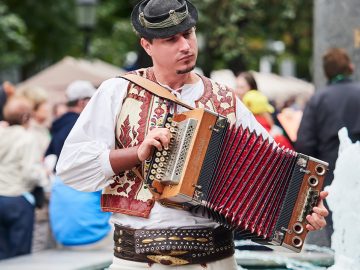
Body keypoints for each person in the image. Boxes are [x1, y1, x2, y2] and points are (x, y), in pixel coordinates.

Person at [56, 1, 329, 269]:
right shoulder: (118, 92)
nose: (185, 46)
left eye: (188, 34)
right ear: (147, 45)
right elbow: (71, 168)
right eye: (170, 39)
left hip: (217, 260)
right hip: (137, 261)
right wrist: (136, 154)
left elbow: (276, 174)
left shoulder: (226, 100)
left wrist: (304, 208)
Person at [295, 47, 360, 247]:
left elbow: (305, 143)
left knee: (339, 234)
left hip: (332, 176)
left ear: (326, 72)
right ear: (350, 67)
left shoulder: (318, 99)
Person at [46, 80, 112, 248]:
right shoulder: (85, 126)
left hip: (62, 235)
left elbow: (48, 158)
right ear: (83, 102)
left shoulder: (57, 127)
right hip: (94, 236)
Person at [0, 96, 46, 259]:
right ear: (25, 116)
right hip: (18, 197)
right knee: (20, 256)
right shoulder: (26, 138)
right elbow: (30, 172)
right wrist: (44, 176)